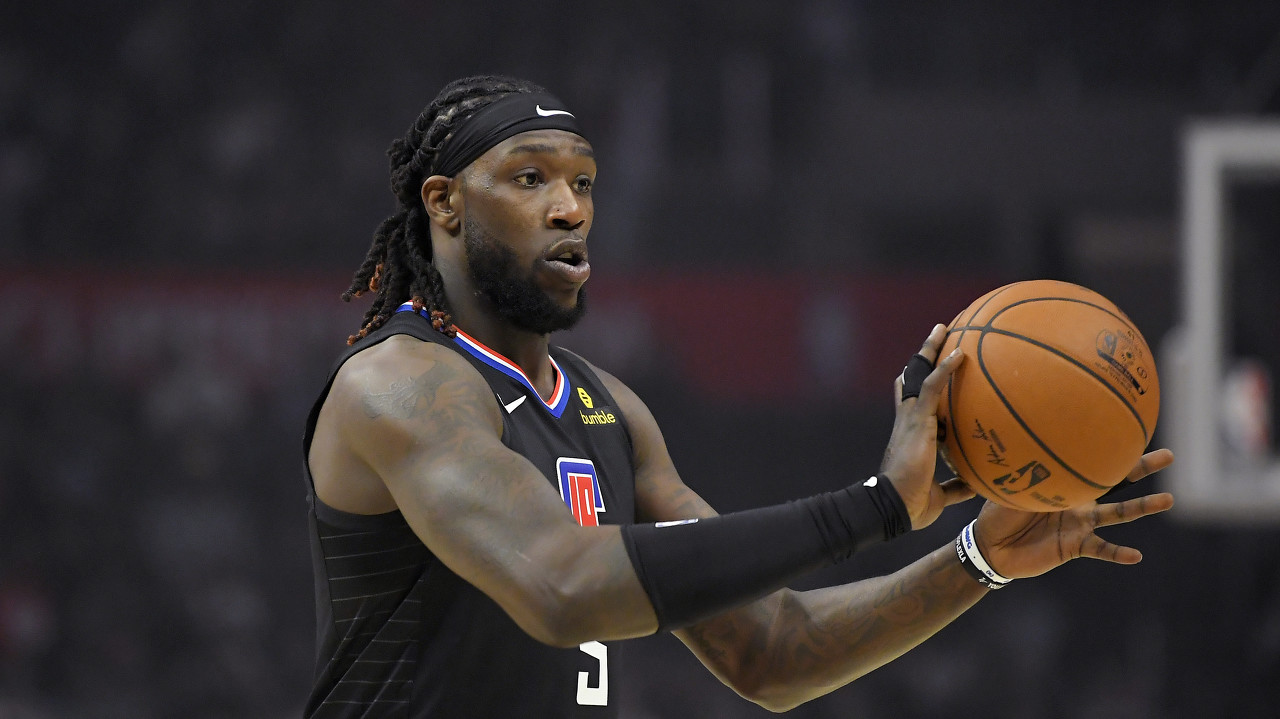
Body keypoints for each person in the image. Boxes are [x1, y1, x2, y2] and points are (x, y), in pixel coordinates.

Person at [301, 74, 1175, 717]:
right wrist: (875, 505)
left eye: (583, 182)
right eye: (530, 178)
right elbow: (563, 588)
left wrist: (976, 559)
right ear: (445, 203)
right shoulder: (400, 384)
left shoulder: (612, 410)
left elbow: (771, 651)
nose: (570, 208)